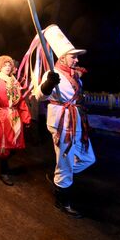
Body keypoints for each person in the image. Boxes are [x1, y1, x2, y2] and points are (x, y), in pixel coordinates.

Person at [35, 25, 94, 218]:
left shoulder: (75, 75)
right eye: (73, 56)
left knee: (88, 158)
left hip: (76, 120)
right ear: (62, 57)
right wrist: (48, 84)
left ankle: (59, 177)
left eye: (76, 57)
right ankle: (63, 201)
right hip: (62, 123)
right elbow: (39, 96)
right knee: (66, 162)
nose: (77, 60)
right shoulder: (53, 74)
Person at [0, 55, 31, 186]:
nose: (7, 67)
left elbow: (21, 102)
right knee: (5, 146)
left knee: (15, 144)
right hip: (1, 116)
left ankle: (1, 160)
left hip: (14, 116)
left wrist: (26, 118)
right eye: (5, 65)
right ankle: (3, 171)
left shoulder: (15, 83)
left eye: (9, 65)